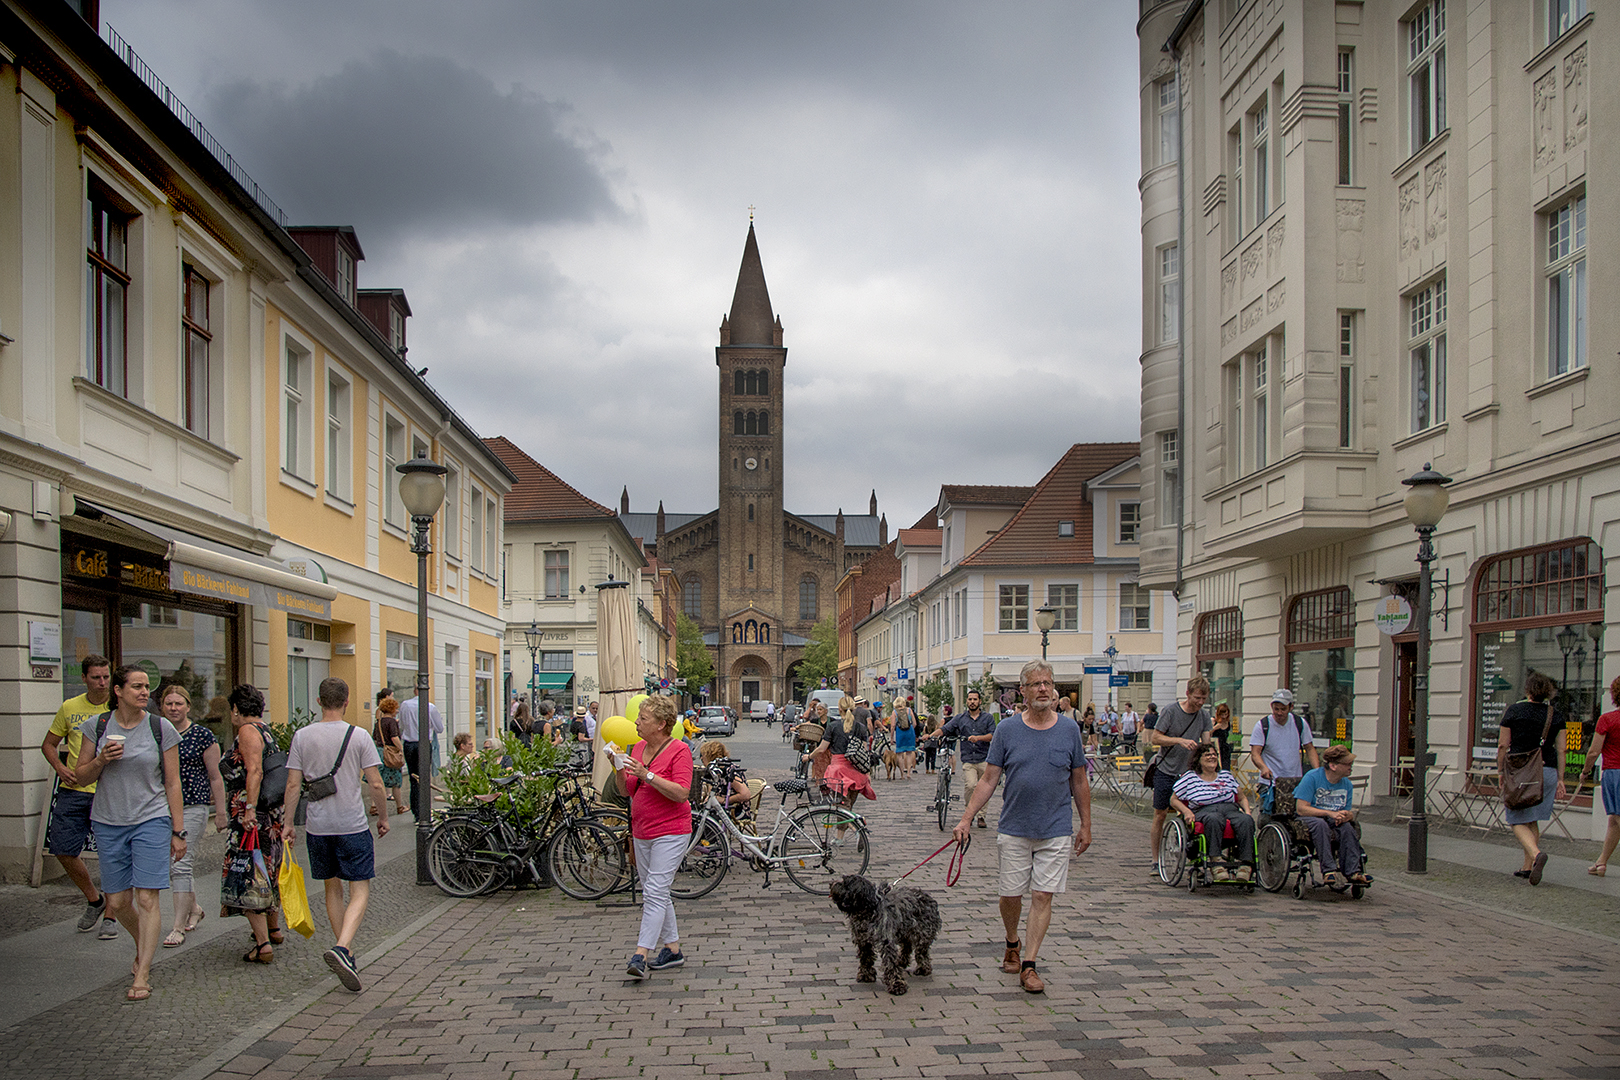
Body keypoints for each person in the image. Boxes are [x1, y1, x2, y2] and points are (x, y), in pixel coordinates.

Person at [952, 660, 1089, 995]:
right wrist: (967, 818)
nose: (1043, 689)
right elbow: (989, 779)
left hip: (1056, 827)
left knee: (1042, 894)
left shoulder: (1069, 730)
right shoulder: (1007, 730)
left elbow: (1079, 779)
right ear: (1023, 691)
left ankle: (1030, 963)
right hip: (1014, 826)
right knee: (1010, 895)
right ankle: (1012, 940)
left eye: (1048, 683)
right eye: (1036, 684)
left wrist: (1086, 824)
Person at [71, 666, 183, 1001]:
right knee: (118, 902)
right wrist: (101, 759)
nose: (144, 692)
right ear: (118, 691)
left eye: (147, 686)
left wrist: (178, 830)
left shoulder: (160, 727)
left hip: (151, 818)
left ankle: (143, 972)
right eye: (137, 686)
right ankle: (142, 943)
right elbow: (80, 776)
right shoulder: (97, 727)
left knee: (147, 898)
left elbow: (172, 782)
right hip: (108, 821)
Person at [281, 677, 388, 992]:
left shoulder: (302, 736)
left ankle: (347, 953)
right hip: (352, 823)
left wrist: (288, 824)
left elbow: (292, 785)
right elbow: (376, 783)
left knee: (332, 888)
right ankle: (342, 947)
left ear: (318, 701)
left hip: (318, 826)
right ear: (347, 700)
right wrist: (383, 817)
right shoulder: (359, 735)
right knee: (360, 888)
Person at [619, 695, 694, 980]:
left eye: (643, 718)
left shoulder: (679, 750)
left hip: (671, 830)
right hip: (642, 830)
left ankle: (641, 954)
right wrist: (618, 767)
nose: (636, 723)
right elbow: (627, 790)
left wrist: (647, 774)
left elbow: (681, 793)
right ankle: (672, 949)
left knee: (654, 890)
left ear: (661, 724)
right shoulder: (638, 748)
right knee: (657, 891)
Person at [40, 654, 114, 937]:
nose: (102, 682)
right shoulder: (70, 707)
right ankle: (95, 900)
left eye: (106, 677)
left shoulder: (117, 707)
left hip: (107, 790)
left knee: (111, 853)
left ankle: (111, 917)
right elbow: (48, 744)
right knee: (61, 848)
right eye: (96, 677)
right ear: (84, 678)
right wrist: (59, 768)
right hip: (73, 789)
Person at [159, 684, 227, 948]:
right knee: (176, 864)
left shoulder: (202, 736)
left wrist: (220, 812)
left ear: (188, 707)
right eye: (168, 703)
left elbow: (215, 776)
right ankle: (195, 908)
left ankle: (177, 927)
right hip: (162, 807)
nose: (173, 708)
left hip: (193, 806)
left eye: (178, 703)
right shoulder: (157, 733)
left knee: (180, 864)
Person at [222, 684, 285, 962]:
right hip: (269, 815)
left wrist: (248, 809)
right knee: (267, 868)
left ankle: (262, 944)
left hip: (252, 814)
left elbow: (255, 771)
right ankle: (273, 929)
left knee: (250, 870)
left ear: (236, 709)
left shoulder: (247, 731)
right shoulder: (265, 730)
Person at [1498, 672, 1567, 885]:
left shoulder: (1514, 711)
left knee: (1515, 818)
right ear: (1548, 693)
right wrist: (1561, 778)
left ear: (1527, 690)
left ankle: (1536, 855)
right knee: (1532, 819)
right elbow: (1562, 749)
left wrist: (1500, 771)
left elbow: (1503, 745)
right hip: (1547, 772)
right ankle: (1528, 868)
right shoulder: (1556, 715)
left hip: (1520, 772)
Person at [1147, 675, 1213, 876]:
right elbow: (1155, 738)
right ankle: (1155, 860)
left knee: (1194, 814)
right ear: (1188, 694)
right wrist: (1179, 740)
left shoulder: (1204, 716)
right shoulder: (1171, 711)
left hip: (1190, 774)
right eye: (1197, 698)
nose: (1200, 702)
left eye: (1203, 699)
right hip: (1166, 769)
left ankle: (1195, 857)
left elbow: (1207, 743)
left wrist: (1210, 759)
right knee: (1160, 814)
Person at [1169, 741, 1255, 882]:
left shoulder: (1226, 775)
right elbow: (1173, 799)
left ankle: (1245, 865)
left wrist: (1247, 811)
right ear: (1198, 759)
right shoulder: (1190, 777)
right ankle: (1216, 862)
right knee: (1214, 818)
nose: (1212, 757)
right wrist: (1186, 811)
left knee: (1246, 820)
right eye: (1207, 755)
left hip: (1229, 808)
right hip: (1204, 810)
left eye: (1214, 754)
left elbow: (1242, 797)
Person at [1293, 745, 1367, 887]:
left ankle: (1353, 871)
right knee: (1320, 825)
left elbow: (1345, 810)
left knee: (1347, 828)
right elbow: (1301, 809)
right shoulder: (1312, 778)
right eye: (1347, 763)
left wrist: (1347, 816)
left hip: (1333, 819)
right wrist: (1329, 813)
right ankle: (1328, 870)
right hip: (1310, 817)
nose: (1351, 766)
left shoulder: (1347, 784)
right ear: (1333, 766)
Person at [1576, 675, 1620, 876]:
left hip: (1614, 772)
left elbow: (1594, 751)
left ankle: (1602, 862)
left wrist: (1585, 772)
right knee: (1614, 820)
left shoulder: (1607, 720)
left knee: (1617, 817)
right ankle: (1602, 862)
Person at [1249, 689, 1320, 814]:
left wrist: (1317, 771)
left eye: (1283, 709)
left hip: (1295, 781)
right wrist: (1263, 767)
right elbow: (1255, 753)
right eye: (1276, 709)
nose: (1279, 713)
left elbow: (1309, 748)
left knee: (1295, 815)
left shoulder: (1299, 723)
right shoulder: (1263, 725)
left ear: (1291, 707)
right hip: (1270, 782)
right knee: (1268, 816)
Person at [802, 698, 877, 806]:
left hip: (838, 772)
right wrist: (867, 772)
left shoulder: (833, 726)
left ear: (840, 709)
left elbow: (822, 748)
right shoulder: (860, 727)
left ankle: (844, 816)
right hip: (856, 771)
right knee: (849, 806)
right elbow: (864, 752)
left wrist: (809, 757)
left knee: (841, 807)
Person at [942, 689, 997, 829]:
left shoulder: (988, 718)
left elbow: (993, 735)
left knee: (984, 788)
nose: (972, 702)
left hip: (984, 757)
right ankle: (970, 812)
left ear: (980, 701)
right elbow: (946, 729)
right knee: (971, 785)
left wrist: (978, 738)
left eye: (975, 699)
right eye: (970, 699)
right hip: (968, 758)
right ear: (966, 701)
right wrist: (931, 735)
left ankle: (981, 816)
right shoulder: (960, 718)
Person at [397, 688, 444, 820]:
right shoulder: (430, 707)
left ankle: (416, 811)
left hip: (409, 744)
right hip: (423, 744)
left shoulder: (405, 705)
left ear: (414, 691)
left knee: (413, 778)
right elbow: (439, 728)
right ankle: (424, 812)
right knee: (423, 779)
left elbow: (401, 725)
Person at [699, 740, 752, 822]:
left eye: (702, 755)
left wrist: (724, 800)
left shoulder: (727, 770)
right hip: (720, 808)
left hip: (735, 810)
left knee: (705, 820)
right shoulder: (714, 770)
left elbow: (745, 794)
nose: (701, 758)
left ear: (710, 755)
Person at [372, 696, 406, 816]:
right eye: (395, 709)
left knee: (378, 780)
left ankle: (374, 806)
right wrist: (401, 749)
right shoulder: (392, 722)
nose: (396, 711)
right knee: (396, 782)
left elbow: (375, 738)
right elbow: (394, 737)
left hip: (379, 753)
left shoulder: (378, 722)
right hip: (390, 753)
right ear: (391, 709)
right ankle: (399, 806)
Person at [891, 697, 918, 780]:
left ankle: (902, 774)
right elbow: (915, 723)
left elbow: (892, 726)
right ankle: (909, 773)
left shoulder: (895, 712)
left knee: (899, 753)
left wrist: (891, 737)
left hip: (900, 733)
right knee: (909, 753)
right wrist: (911, 729)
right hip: (909, 732)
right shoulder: (909, 710)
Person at [1210, 702, 1234, 772]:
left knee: (1225, 767)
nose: (1224, 717)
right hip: (1216, 746)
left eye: (1225, 714)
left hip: (1224, 748)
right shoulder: (1214, 721)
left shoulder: (1228, 723)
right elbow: (1207, 734)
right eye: (1222, 715)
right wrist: (1215, 728)